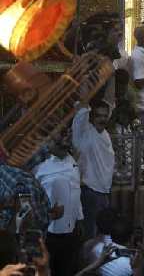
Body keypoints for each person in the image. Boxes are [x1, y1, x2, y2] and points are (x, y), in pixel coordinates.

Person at [33, 130, 83, 276]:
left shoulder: (72, 161)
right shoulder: (39, 166)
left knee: (68, 269)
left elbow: (76, 189)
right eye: (58, 139)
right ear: (47, 142)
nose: (65, 141)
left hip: (71, 231)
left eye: (66, 136)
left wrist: (80, 219)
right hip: (49, 233)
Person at [72, 100, 115, 239]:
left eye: (105, 116)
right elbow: (82, 108)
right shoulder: (84, 132)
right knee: (90, 234)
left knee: (102, 235)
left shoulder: (105, 135)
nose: (102, 119)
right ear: (91, 117)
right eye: (98, 116)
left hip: (104, 191)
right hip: (89, 191)